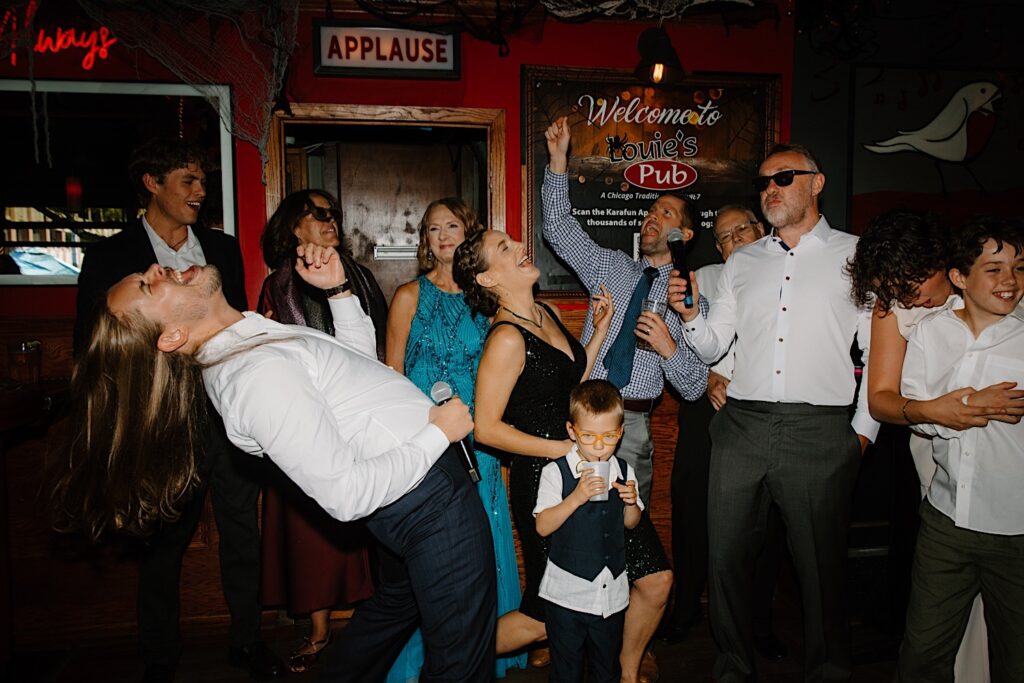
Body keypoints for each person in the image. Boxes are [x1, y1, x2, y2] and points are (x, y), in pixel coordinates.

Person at [57, 244, 497, 683]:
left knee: (394, 609)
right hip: (425, 501)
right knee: (461, 664)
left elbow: (355, 375)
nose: (155, 268)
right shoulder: (253, 376)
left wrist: (339, 293)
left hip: (413, 490)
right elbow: (347, 496)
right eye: (146, 287)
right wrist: (438, 432)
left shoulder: (248, 338)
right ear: (171, 337)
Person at [69, 138, 283, 682]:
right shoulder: (111, 258)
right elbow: (94, 350)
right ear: (151, 183)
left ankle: (247, 640)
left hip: (226, 414)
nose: (200, 191)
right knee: (162, 537)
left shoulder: (223, 248)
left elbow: (231, 324)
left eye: (203, 181)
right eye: (188, 180)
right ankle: (160, 656)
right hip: (164, 420)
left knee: (242, 530)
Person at [673, 143, 879, 682]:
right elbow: (714, 346)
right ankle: (732, 668)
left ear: (817, 182)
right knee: (725, 559)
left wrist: (861, 431)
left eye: (784, 177)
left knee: (819, 567)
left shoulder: (858, 255)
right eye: (764, 181)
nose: (771, 188)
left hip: (820, 429)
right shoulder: (743, 261)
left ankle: (829, 672)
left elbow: (879, 348)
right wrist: (692, 315)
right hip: (742, 423)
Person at [543, 115, 706, 682]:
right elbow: (560, 231)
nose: (651, 217)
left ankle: (624, 660)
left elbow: (691, 386)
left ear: (685, 233)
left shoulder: (689, 297)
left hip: (632, 431)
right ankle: (564, 629)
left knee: (625, 541)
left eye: (666, 212)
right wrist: (559, 163)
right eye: (650, 209)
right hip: (578, 419)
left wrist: (668, 344)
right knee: (568, 529)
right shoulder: (611, 267)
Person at [384, 198, 526, 680]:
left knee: (482, 547)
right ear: (424, 240)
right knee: (434, 558)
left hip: (477, 443)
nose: (441, 235)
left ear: (467, 233)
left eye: (451, 226)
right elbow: (392, 375)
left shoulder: (485, 301)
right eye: (431, 228)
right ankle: (418, 662)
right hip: (424, 444)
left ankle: (485, 652)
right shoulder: (408, 295)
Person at [257, 189, 384, 674]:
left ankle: (369, 616)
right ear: (294, 228)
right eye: (318, 214)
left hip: (361, 408)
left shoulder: (360, 276)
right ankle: (318, 628)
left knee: (362, 514)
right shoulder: (279, 284)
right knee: (309, 527)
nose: (330, 221)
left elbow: (374, 339)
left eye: (334, 213)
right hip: (305, 415)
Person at [897, 217, 1024, 683]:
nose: (1009, 281)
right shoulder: (932, 331)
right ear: (959, 277)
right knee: (923, 655)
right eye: (993, 269)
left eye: (1018, 268)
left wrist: (953, 406)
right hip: (945, 520)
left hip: (1017, 531)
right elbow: (919, 411)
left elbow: (933, 409)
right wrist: (974, 404)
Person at [663, 205, 787, 662]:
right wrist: (711, 375)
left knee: (766, 520)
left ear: (763, 230)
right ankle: (686, 610)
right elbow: (681, 335)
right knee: (692, 507)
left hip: (767, 410)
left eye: (742, 230)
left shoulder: (787, 276)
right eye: (724, 236)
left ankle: (759, 622)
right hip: (707, 406)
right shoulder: (706, 277)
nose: (734, 240)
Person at [534, 379, 642, 683]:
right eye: (589, 436)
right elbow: (542, 526)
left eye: (609, 436)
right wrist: (577, 497)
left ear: (620, 432)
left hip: (612, 597)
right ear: (572, 431)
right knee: (566, 671)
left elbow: (630, 523)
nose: (598, 446)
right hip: (567, 595)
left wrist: (631, 503)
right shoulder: (556, 472)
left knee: (606, 668)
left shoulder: (623, 470)